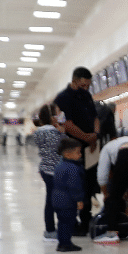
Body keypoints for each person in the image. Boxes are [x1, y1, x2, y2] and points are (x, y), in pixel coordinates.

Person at [53, 67, 100, 235]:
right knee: (74, 184)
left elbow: (95, 117)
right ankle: (71, 221)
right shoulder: (62, 98)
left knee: (88, 184)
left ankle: (85, 221)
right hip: (74, 149)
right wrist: (86, 137)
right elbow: (67, 124)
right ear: (74, 81)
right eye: (82, 85)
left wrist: (94, 134)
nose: (86, 89)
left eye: (88, 85)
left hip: (90, 148)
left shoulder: (86, 96)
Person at [34, 104, 64, 243]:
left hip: (45, 168)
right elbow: (63, 147)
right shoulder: (52, 133)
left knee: (50, 200)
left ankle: (51, 229)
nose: (59, 116)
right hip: (53, 171)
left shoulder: (39, 132)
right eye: (57, 114)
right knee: (52, 201)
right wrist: (61, 131)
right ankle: (50, 231)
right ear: (52, 117)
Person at [52, 137, 86, 253]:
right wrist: (79, 200)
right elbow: (74, 186)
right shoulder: (72, 168)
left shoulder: (60, 165)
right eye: (78, 152)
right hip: (67, 201)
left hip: (57, 200)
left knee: (62, 222)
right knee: (68, 223)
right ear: (67, 154)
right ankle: (66, 244)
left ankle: (62, 243)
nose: (80, 155)